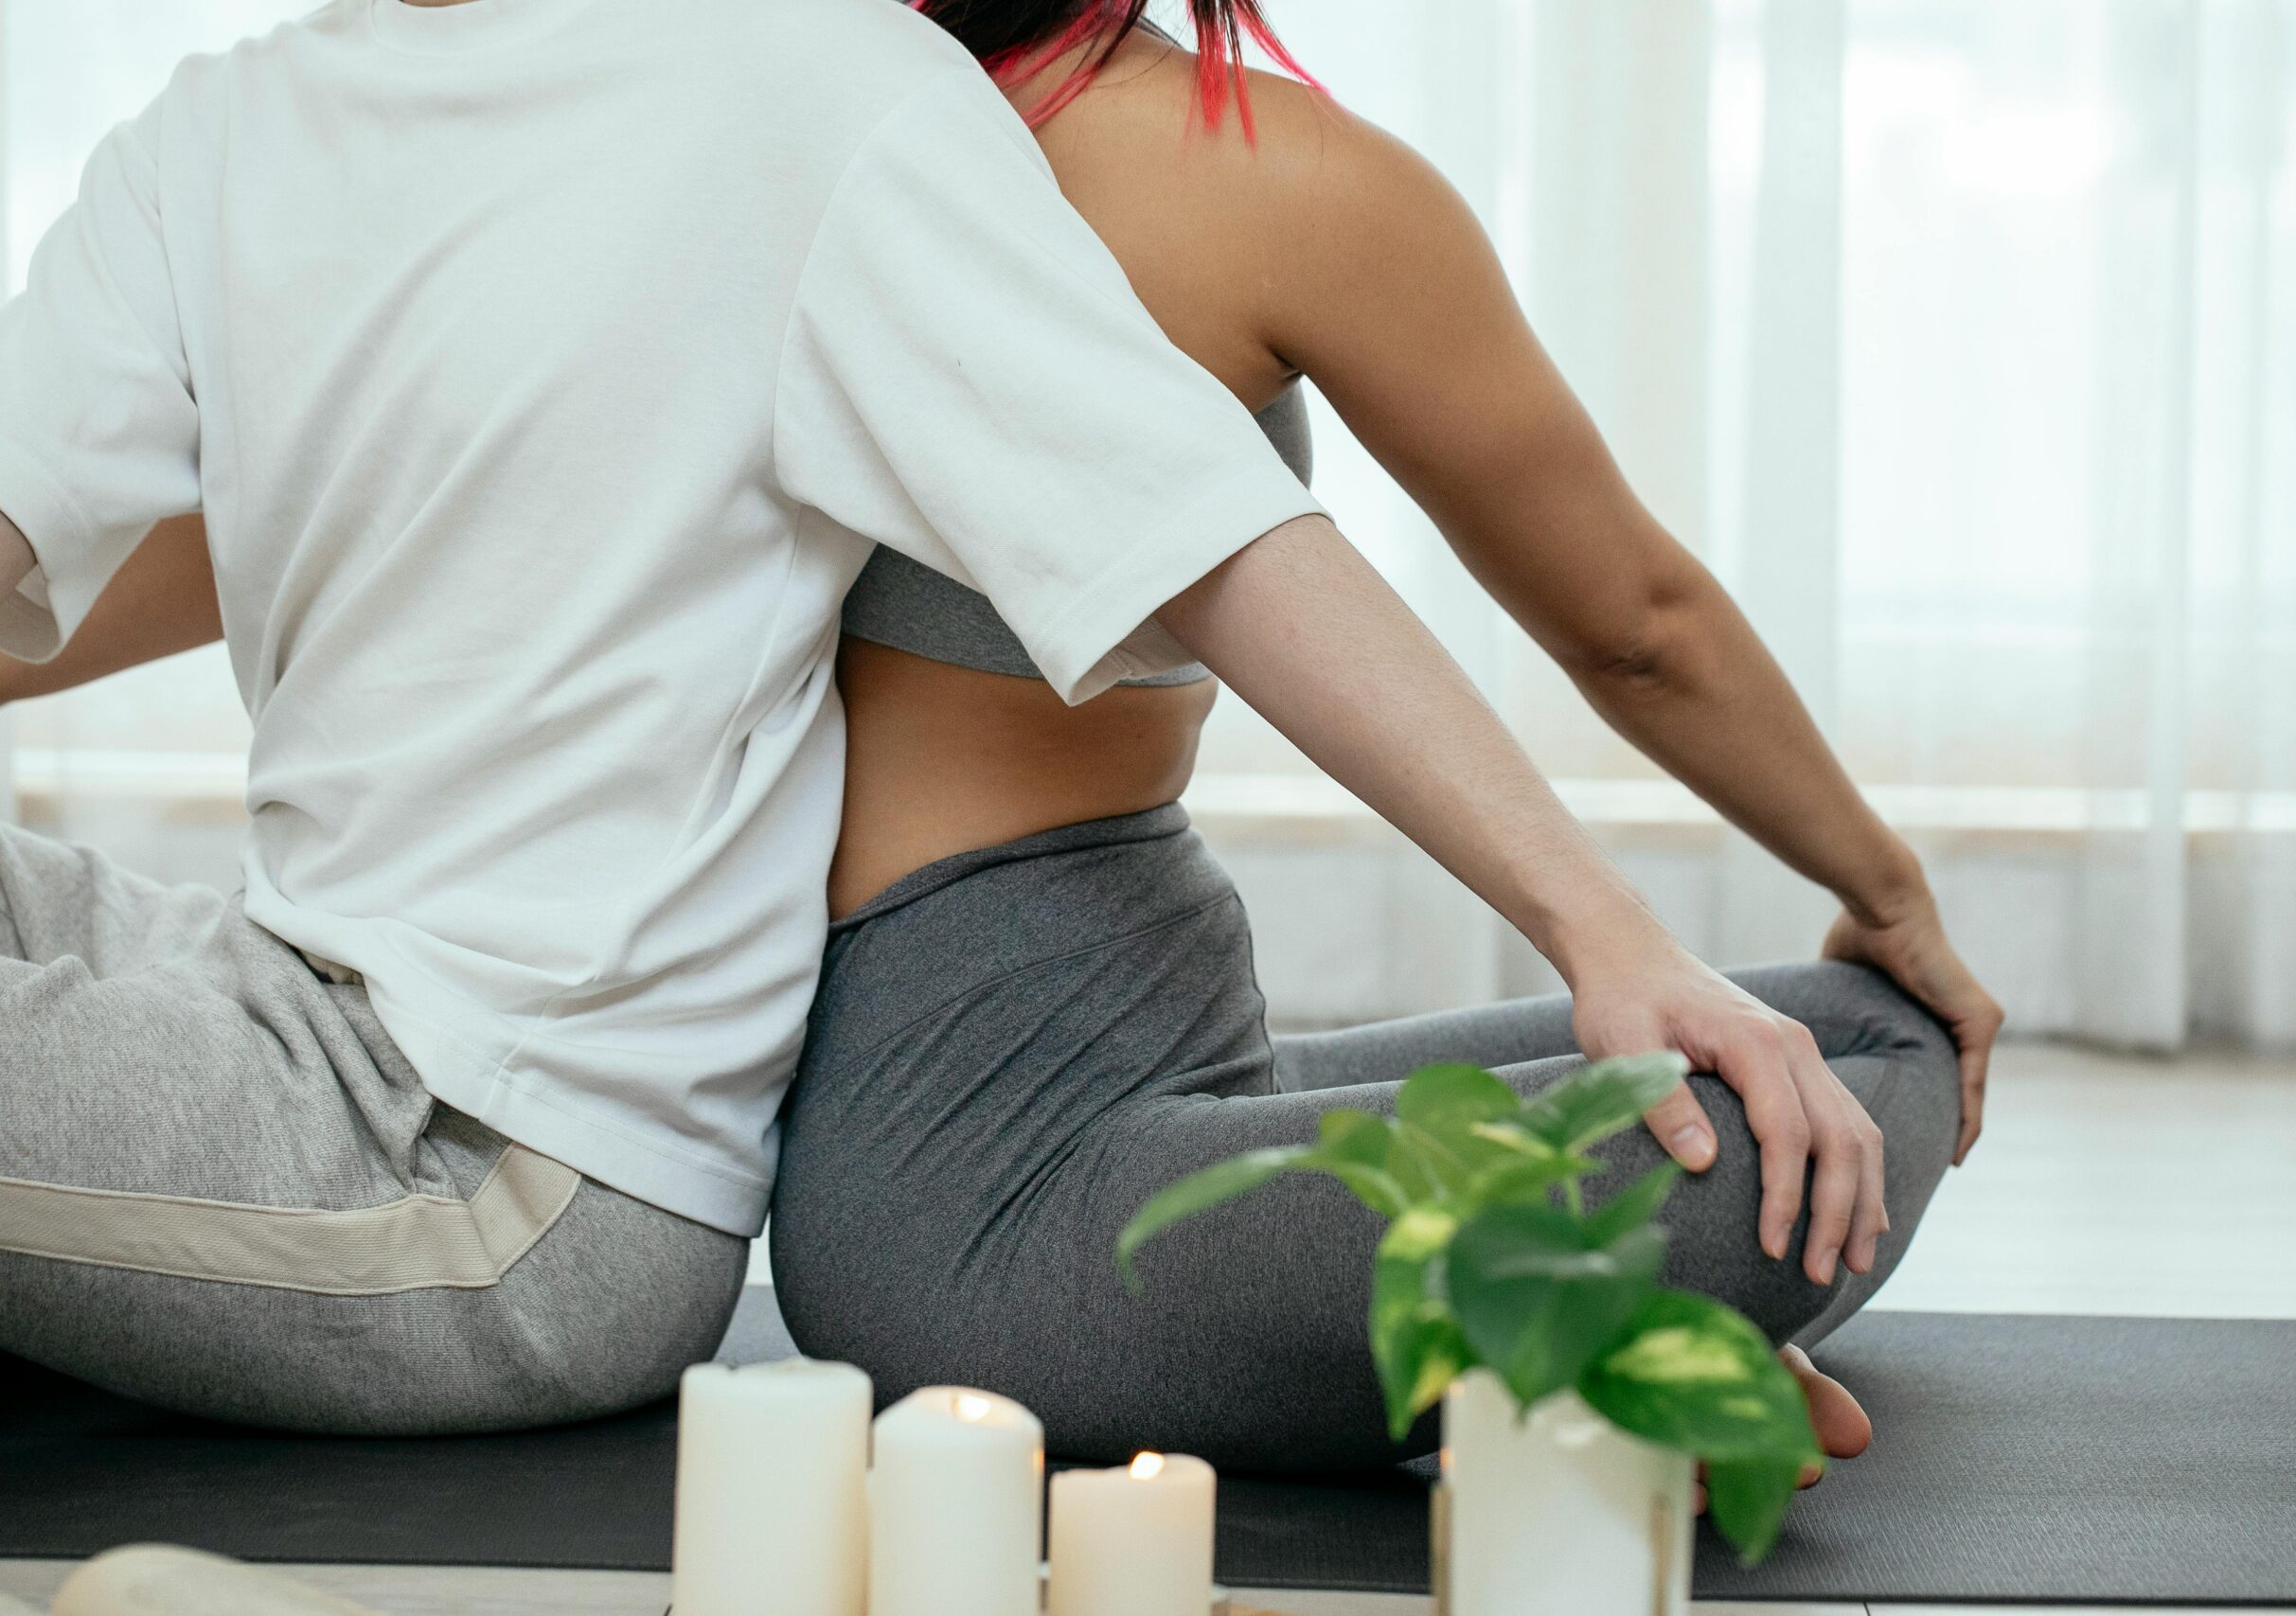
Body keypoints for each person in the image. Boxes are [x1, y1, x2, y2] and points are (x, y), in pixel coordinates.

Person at [2, 0, 2002, 1466]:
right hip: (873, 1128)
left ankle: (1551, 1315)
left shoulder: (875, 110)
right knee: (1822, 1076)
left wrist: (1635, 934)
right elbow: (275, 503)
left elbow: (1286, 556)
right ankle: (1537, 1325)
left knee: (1842, 1056)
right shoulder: (377, 124)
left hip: (705, 1120)